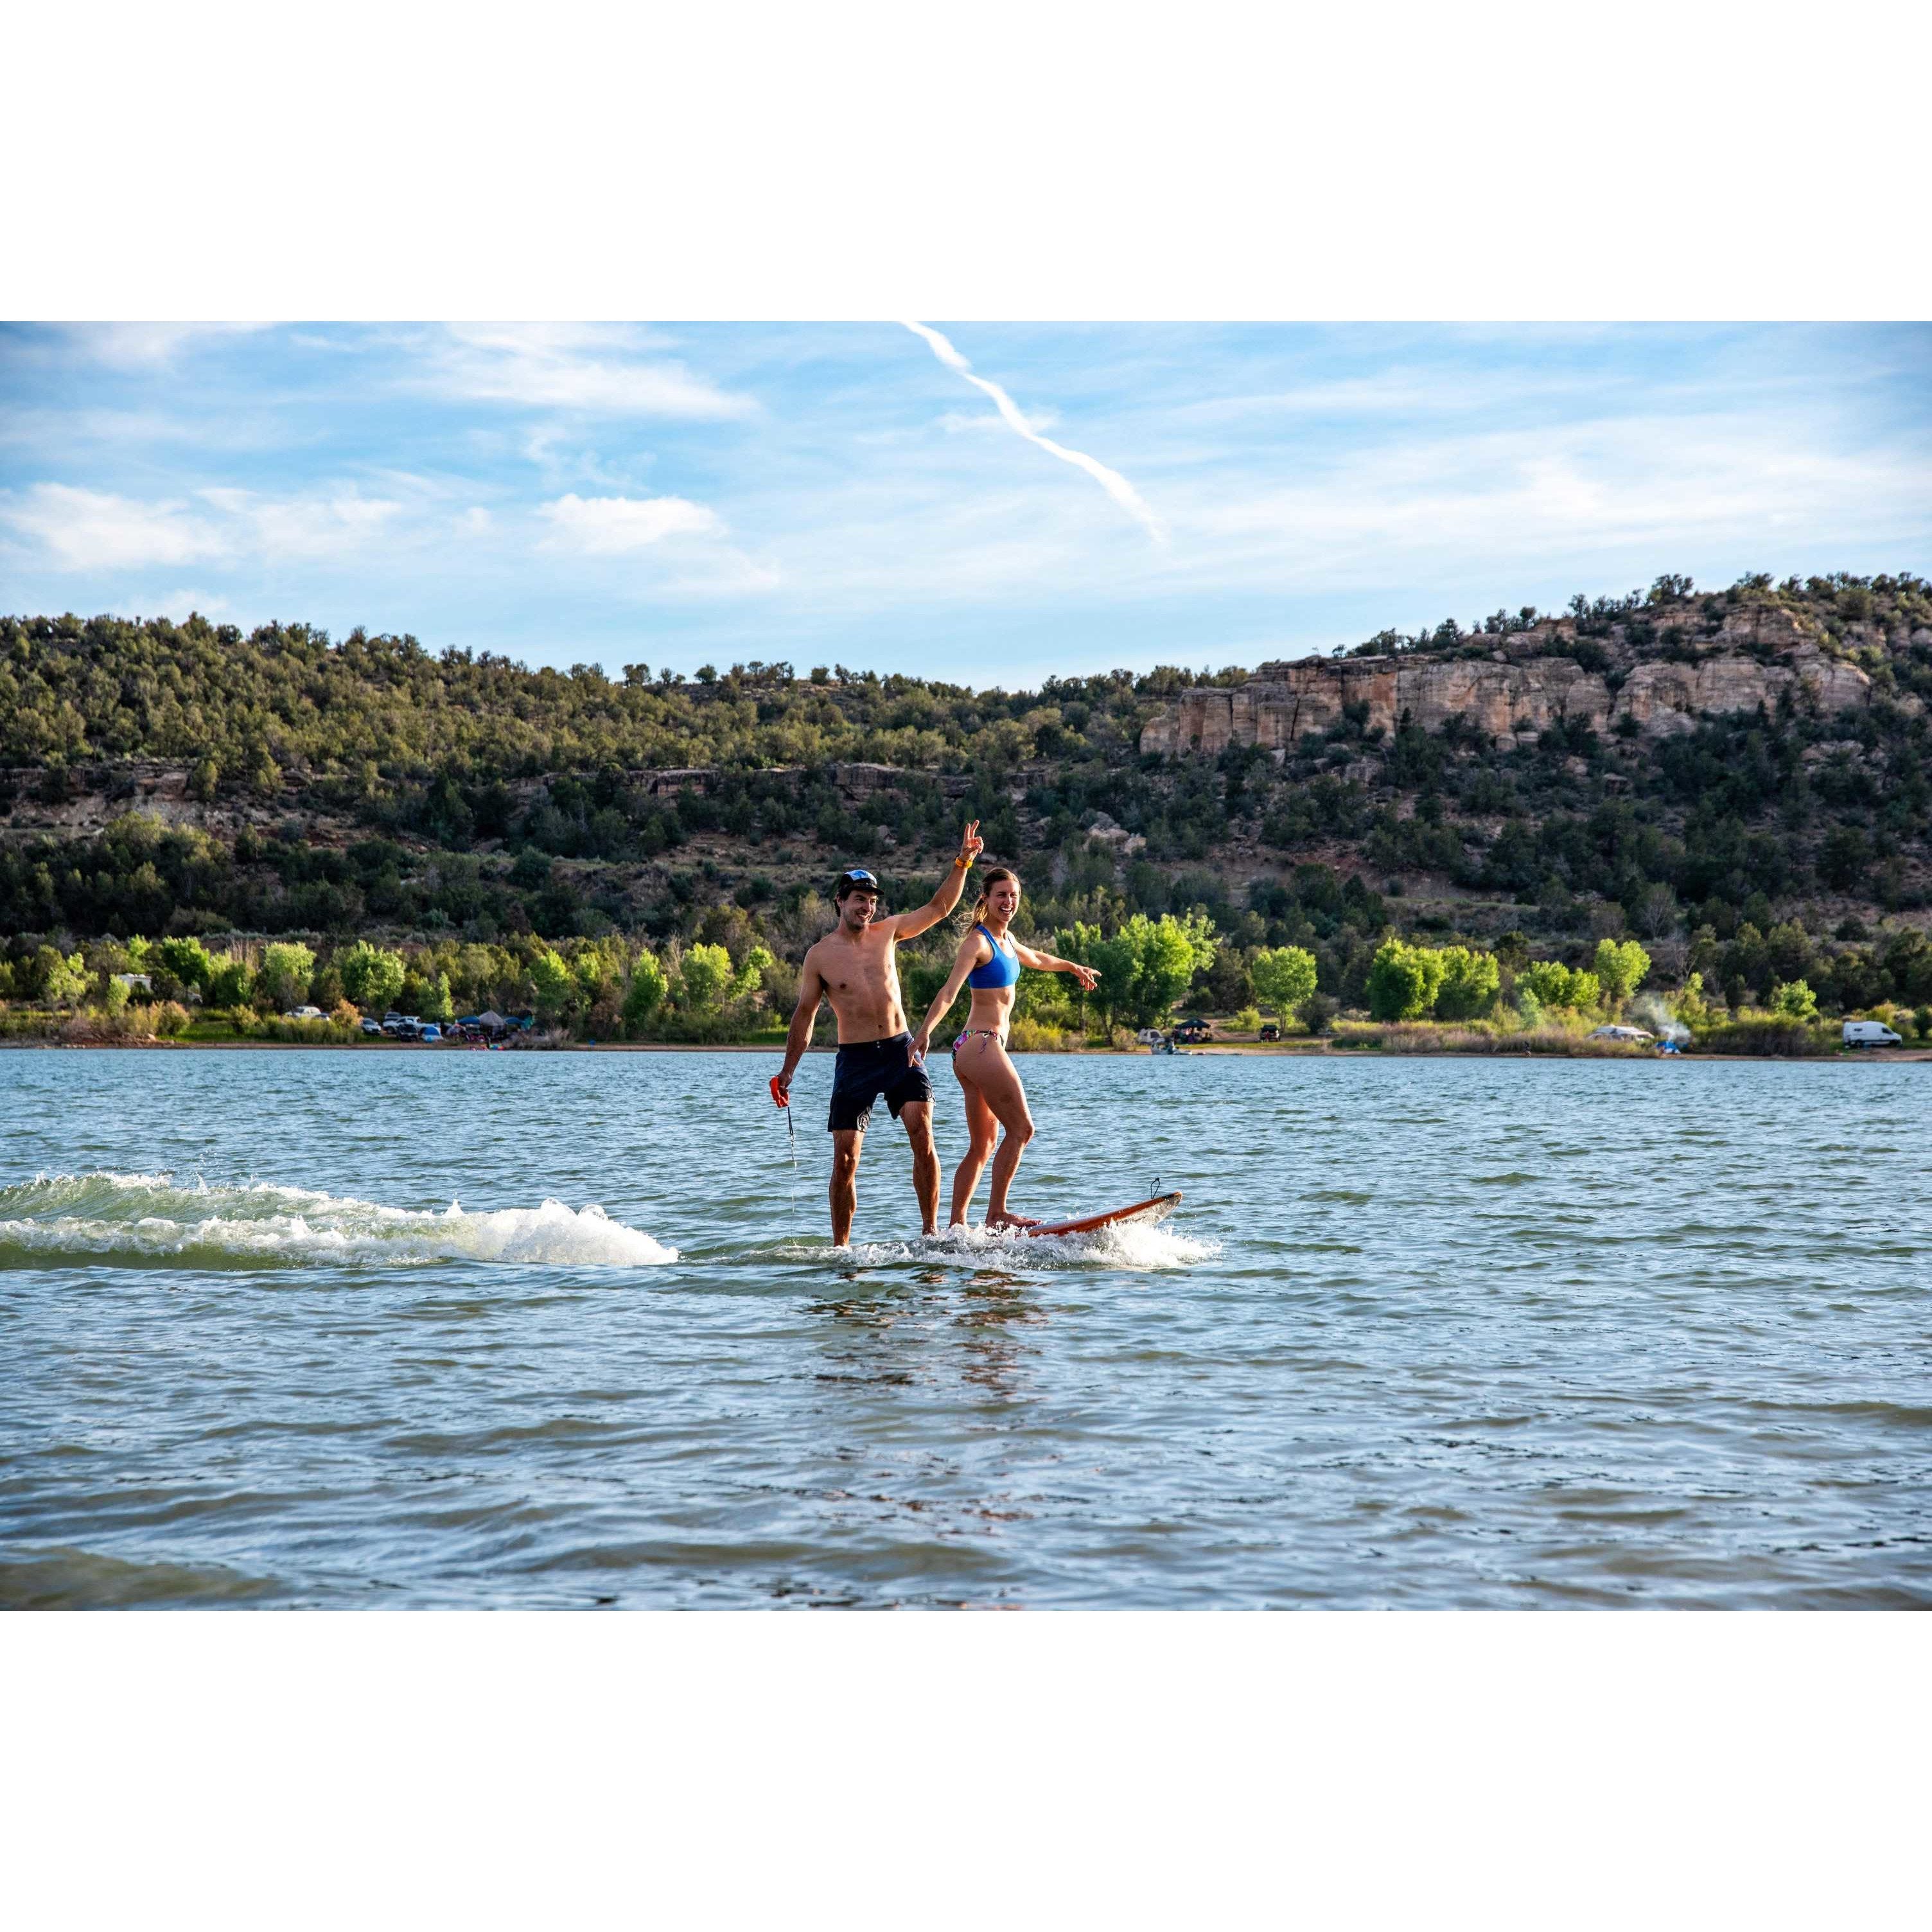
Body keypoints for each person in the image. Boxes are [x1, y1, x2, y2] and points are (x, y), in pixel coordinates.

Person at [772, 821, 984, 1245]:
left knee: (922, 1132)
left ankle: (930, 1235)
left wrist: (963, 861)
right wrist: (788, 1071)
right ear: (840, 902)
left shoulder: (889, 932)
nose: (866, 908)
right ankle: (841, 1249)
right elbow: (804, 1015)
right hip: (855, 1061)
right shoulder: (820, 956)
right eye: (858, 900)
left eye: (871, 901)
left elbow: (940, 908)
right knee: (846, 1158)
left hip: (900, 1051)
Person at [909, 866, 1098, 1231]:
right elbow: (949, 991)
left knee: (983, 1146)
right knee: (1022, 1130)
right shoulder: (978, 943)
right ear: (986, 898)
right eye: (1001, 895)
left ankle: (955, 1228)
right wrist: (924, 1033)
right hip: (981, 1045)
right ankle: (997, 1213)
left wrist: (1074, 967)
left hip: (972, 1051)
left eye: (1013, 895)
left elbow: (1041, 959)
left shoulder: (1008, 942)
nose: (1008, 902)